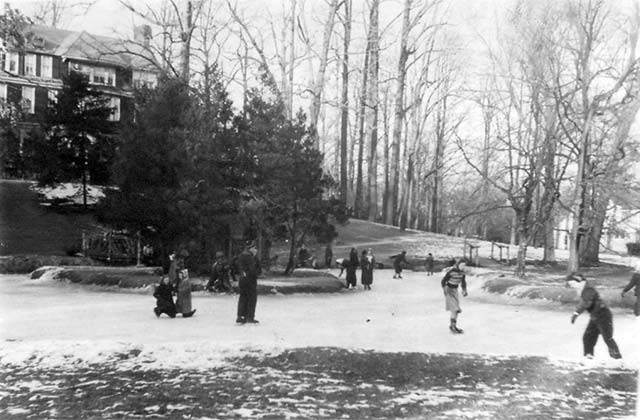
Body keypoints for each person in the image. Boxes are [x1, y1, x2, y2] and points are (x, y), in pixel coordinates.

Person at [567, 272, 622, 359]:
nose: (572, 286)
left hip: (603, 315)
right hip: (595, 316)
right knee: (587, 337)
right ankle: (588, 357)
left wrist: (576, 313)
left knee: (607, 338)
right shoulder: (584, 289)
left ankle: (617, 359)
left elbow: (586, 302)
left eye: (573, 284)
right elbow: (584, 302)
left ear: (580, 281)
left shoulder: (588, 289)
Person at [233, 241, 262, 324]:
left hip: (242, 280)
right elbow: (254, 270)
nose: (256, 250)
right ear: (251, 248)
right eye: (255, 248)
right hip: (250, 280)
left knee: (243, 297)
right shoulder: (250, 257)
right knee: (252, 298)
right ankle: (249, 316)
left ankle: (241, 316)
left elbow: (236, 266)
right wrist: (256, 273)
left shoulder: (242, 255)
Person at [441, 259, 467, 334]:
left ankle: (453, 326)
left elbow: (463, 282)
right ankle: (453, 326)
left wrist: (464, 289)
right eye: (462, 265)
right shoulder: (452, 272)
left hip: (455, 291)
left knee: (455, 310)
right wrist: (445, 288)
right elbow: (443, 281)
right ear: (458, 265)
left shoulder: (462, 273)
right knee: (455, 309)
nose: (463, 267)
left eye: (464, 266)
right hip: (449, 290)